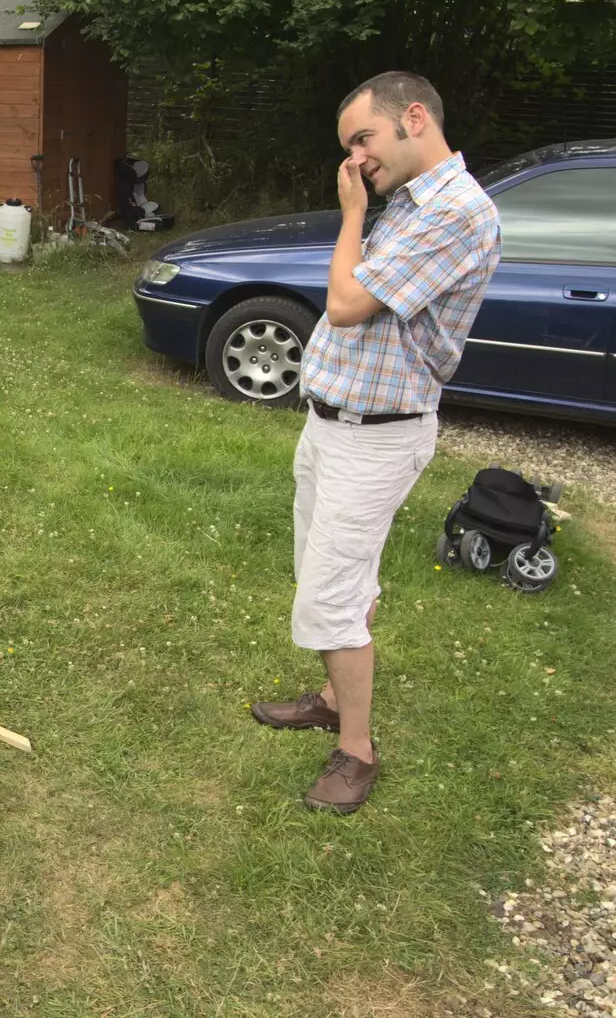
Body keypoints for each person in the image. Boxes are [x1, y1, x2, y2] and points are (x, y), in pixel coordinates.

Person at [250, 72, 501, 814]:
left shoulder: (454, 212)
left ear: (414, 117)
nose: (356, 159)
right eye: (349, 148)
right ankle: (334, 695)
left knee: (329, 597)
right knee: (331, 576)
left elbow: (347, 303)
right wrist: (368, 210)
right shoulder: (412, 203)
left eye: (363, 139)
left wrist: (352, 215)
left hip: (378, 438)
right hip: (335, 424)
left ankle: (355, 750)